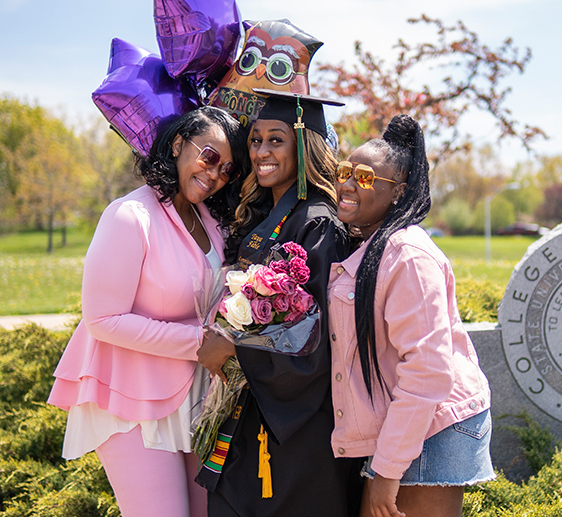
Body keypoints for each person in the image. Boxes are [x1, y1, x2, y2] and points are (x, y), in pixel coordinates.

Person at [47, 106, 249, 517]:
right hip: (129, 399)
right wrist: (198, 343)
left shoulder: (210, 219)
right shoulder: (128, 216)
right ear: (178, 145)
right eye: (209, 157)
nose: (215, 174)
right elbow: (103, 319)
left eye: (227, 169)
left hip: (192, 399)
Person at [196, 91, 363, 516]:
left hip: (297, 427)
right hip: (259, 408)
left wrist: (234, 349)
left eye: (276, 139)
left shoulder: (319, 224)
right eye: (255, 140)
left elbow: (320, 337)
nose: (262, 152)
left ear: (303, 145)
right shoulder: (264, 217)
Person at [328, 114, 495, 517]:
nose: (348, 184)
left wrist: (387, 470)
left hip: (431, 426)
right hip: (405, 424)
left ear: (398, 193)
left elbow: (428, 369)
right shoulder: (372, 245)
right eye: (345, 171)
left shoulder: (407, 254)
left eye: (365, 178)